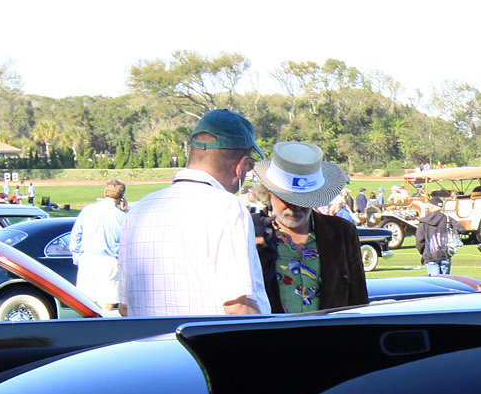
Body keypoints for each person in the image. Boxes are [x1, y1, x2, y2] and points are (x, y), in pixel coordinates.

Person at [117, 109, 269, 318]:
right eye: (249, 164)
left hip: (150, 346)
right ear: (240, 166)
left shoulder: (139, 210)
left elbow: (125, 307)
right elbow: (238, 306)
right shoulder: (227, 207)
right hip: (202, 347)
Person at [251, 142, 369, 314]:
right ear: (269, 193)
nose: (295, 207)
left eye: (304, 199)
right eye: (287, 198)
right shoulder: (251, 232)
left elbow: (358, 299)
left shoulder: (342, 232)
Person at [68, 178, 128, 312]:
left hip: (87, 258)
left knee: (86, 300)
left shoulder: (87, 210)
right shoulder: (121, 216)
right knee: (107, 302)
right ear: (121, 197)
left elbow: (76, 235)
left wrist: (77, 256)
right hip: (108, 259)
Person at [414, 193, 459, 276]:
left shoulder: (424, 222)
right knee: (445, 284)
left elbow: (419, 241)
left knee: (436, 284)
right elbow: (461, 229)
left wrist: (424, 252)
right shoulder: (447, 219)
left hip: (430, 256)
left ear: (431, 206)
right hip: (445, 255)